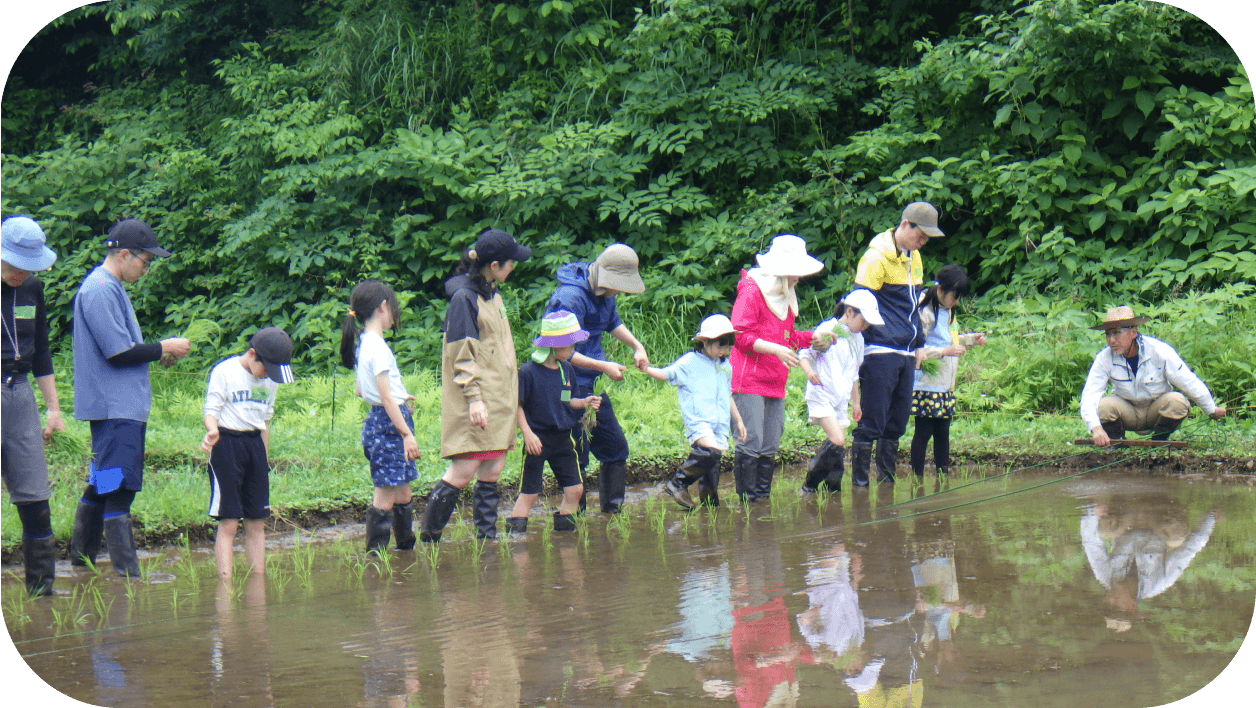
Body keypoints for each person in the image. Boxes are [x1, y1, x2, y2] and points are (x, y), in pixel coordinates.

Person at [69, 219, 191, 578]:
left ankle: (81, 565)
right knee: (120, 489)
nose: (146, 269)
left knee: (104, 482)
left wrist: (157, 353)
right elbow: (118, 352)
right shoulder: (100, 290)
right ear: (124, 254)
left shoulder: (110, 287)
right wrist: (162, 347)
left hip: (119, 407)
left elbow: (125, 349)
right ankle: (128, 578)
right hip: (116, 409)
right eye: (145, 262)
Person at [421, 228, 531, 542]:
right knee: (463, 471)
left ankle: (487, 541)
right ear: (494, 265)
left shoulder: (493, 294)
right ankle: (428, 538)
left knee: (493, 469)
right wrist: (474, 399)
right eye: (510, 262)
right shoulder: (464, 299)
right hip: (478, 400)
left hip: (499, 398)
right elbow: (462, 355)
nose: (514, 266)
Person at [544, 243, 649, 514]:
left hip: (592, 386)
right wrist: (604, 366)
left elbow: (612, 322)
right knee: (576, 455)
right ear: (605, 277)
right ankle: (573, 518)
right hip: (567, 386)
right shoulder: (569, 299)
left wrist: (637, 346)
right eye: (619, 285)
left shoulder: (604, 293)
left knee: (616, 448)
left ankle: (612, 516)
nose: (620, 291)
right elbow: (560, 352)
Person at [850, 202, 945, 486]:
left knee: (897, 422)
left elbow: (914, 306)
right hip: (880, 349)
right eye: (921, 234)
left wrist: (919, 343)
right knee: (872, 420)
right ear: (905, 224)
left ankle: (886, 486)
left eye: (927, 237)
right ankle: (860, 488)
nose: (923, 241)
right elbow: (857, 306)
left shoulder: (915, 257)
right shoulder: (875, 258)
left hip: (907, 351)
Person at [730, 234, 822, 502]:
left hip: (775, 379)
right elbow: (739, 335)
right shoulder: (752, 290)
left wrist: (812, 337)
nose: (798, 278)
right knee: (751, 440)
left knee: (770, 443)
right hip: (749, 379)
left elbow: (785, 337)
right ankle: (747, 505)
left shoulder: (784, 295)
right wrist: (777, 350)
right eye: (795, 272)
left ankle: (762, 502)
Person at [1, 216, 65, 596]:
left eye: (29, 267)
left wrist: (53, 408)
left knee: (36, 500)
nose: (21, 274)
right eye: (14, 265)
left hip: (20, 393)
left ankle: (43, 598)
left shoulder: (32, 288)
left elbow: (40, 350)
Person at [201, 327, 295, 579]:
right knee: (229, 521)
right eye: (267, 369)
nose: (268, 376)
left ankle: (257, 582)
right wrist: (212, 431)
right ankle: (225, 583)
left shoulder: (270, 380)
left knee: (257, 520)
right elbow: (211, 410)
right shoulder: (225, 371)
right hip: (226, 445)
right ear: (252, 354)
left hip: (255, 445)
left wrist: (264, 460)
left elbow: (265, 421)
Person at [339, 280, 421, 553]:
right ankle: (376, 558)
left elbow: (361, 390)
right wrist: (406, 434)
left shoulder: (365, 343)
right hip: (389, 425)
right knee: (385, 493)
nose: (395, 315)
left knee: (403, 490)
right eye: (393, 308)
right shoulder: (378, 347)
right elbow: (385, 398)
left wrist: (400, 395)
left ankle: (405, 552)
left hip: (382, 420)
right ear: (383, 307)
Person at [505, 311, 601, 532]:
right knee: (530, 492)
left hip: (563, 439)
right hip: (537, 440)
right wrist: (528, 434)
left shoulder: (566, 370)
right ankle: (515, 538)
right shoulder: (528, 372)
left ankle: (565, 537)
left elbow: (566, 400)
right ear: (555, 345)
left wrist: (584, 402)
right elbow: (516, 406)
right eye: (570, 345)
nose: (573, 350)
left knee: (575, 490)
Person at [1082, 306, 1226, 446]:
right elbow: (1090, 394)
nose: (1111, 340)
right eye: (1108, 334)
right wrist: (1096, 428)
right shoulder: (1104, 358)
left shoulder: (1159, 350)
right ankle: (1117, 443)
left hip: (1156, 409)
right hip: (1127, 411)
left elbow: (1187, 380)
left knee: (1178, 401)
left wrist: (1211, 409)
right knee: (1105, 406)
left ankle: (1158, 441)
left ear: (1133, 332)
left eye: (1116, 333)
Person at [645, 314, 747, 510]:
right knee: (711, 452)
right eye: (720, 346)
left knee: (712, 467)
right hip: (699, 420)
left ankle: (710, 507)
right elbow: (666, 374)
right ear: (705, 341)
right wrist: (646, 369)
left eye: (728, 346)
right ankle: (677, 483)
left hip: (720, 424)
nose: (724, 351)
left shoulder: (725, 366)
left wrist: (739, 421)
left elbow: (728, 395)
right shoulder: (690, 362)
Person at [797, 290, 884, 495]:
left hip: (841, 397)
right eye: (864, 320)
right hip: (821, 392)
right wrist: (809, 372)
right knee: (837, 440)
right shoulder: (828, 329)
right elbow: (805, 354)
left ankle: (832, 490)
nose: (866, 325)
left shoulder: (858, 339)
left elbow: (853, 373)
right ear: (850, 312)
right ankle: (808, 486)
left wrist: (856, 402)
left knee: (837, 449)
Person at [909, 265, 986, 478]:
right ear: (941, 290)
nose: (956, 302)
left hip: (945, 385)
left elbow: (950, 340)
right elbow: (916, 348)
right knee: (923, 433)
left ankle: (942, 479)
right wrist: (944, 352)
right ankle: (917, 480)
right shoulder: (925, 312)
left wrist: (970, 340)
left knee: (943, 433)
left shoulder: (948, 311)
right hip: (927, 384)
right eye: (954, 296)